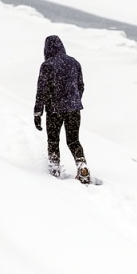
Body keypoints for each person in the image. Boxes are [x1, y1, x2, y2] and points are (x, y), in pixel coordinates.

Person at [33, 35, 90, 184]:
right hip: (74, 109)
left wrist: (38, 113)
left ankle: (54, 170)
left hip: (54, 110)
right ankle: (82, 166)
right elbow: (81, 86)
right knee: (73, 141)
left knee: (53, 141)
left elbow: (41, 91)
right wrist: (74, 101)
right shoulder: (74, 62)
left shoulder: (47, 65)